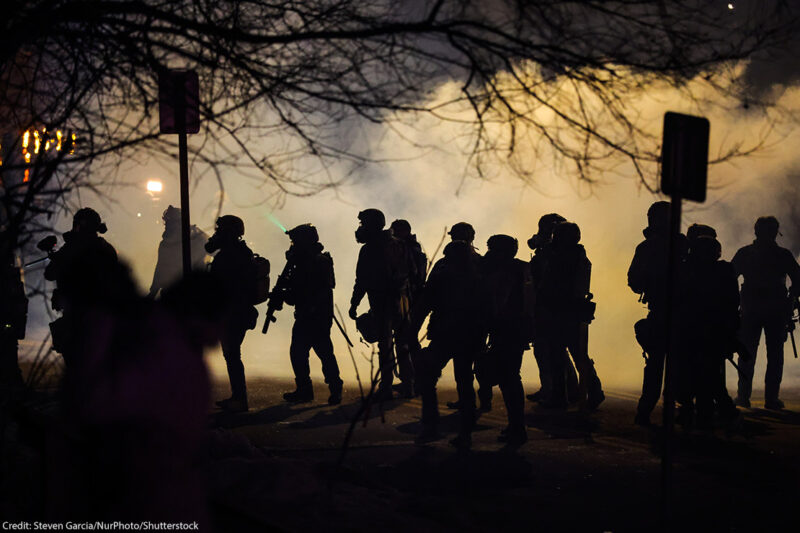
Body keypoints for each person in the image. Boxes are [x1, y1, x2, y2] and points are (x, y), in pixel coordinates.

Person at [414, 239, 485, 448]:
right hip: (467, 337)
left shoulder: (443, 277)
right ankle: (464, 433)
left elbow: (424, 306)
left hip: (446, 336)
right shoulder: (478, 278)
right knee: (464, 384)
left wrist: (410, 333)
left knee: (429, 377)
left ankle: (431, 425)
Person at [628, 201, 688, 426]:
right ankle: (679, 409)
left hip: (667, 312)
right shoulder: (681, 244)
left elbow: (634, 281)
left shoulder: (649, 247)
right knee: (672, 365)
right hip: (675, 313)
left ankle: (646, 411)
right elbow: (634, 281)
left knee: (657, 365)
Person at [731, 216, 800, 409]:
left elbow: (729, 278)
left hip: (753, 309)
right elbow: (798, 280)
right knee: (773, 355)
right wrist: (790, 300)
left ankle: (744, 396)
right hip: (774, 311)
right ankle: (769, 399)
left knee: (748, 354)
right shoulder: (782, 255)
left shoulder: (745, 253)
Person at [537, 222, 604, 410]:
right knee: (575, 355)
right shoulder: (576, 255)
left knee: (560, 356)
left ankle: (562, 396)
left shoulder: (565, 257)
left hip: (561, 310)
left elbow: (550, 283)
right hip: (569, 310)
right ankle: (591, 391)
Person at [349, 209, 414, 400]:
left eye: (363, 224)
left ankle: (386, 388)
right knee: (402, 344)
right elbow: (411, 273)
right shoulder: (399, 245)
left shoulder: (370, 249)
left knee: (385, 346)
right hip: (401, 302)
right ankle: (408, 384)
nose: (360, 228)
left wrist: (354, 303)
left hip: (382, 302)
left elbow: (362, 280)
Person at [44, 208, 119, 368]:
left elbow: (50, 274)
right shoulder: (106, 248)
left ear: (79, 226)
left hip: (77, 316)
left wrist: (57, 258)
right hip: (103, 316)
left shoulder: (72, 248)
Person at [679, 235, 740, 429]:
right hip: (708, 330)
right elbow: (732, 303)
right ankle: (711, 414)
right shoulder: (721, 270)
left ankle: (699, 414)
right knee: (710, 375)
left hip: (701, 330)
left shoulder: (688, 269)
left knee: (698, 375)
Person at [278, 224, 343, 405]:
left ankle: (335, 388)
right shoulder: (300, 262)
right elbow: (295, 291)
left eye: (296, 241)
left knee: (324, 353)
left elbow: (318, 289)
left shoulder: (319, 261)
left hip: (317, 316)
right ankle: (305, 390)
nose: (293, 245)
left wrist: (295, 297)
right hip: (306, 314)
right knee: (298, 353)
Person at [479, 234, 531, 445]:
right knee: (510, 377)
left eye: (492, 249)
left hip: (507, 329)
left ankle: (517, 427)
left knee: (508, 378)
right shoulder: (521, 269)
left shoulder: (506, 272)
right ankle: (516, 426)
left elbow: (498, 302)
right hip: (516, 329)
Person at [206, 215, 258, 413]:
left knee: (232, 355)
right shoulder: (238, 252)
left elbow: (224, 285)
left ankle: (240, 398)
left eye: (220, 230)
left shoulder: (232, 255)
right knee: (232, 355)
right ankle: (237, 397)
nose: (217, 233)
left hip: (234, 312)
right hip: (235, 311)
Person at [527, 213, 580, 406]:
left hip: (553, 307)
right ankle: (563, 390)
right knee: (556, 351)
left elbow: (546, 279)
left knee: (554, 351)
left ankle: (562, 392)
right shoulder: (562, 252)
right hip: (556, 307)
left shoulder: (559, 254)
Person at [147, 205, 209, 298]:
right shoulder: (166, 244)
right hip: (173, 293)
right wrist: (153, 292)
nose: (168, 225)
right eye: (168, 222)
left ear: (179, 222)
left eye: (171, 222)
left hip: (194, 292)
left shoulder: (197, 237)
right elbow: (161, 268)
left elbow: (214, 253)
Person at [0, 231, 27, 389]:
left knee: (10, 350)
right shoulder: (9, 273)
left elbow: (19, 299)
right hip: (7, 318)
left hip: (8, 319)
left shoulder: (11, 273)